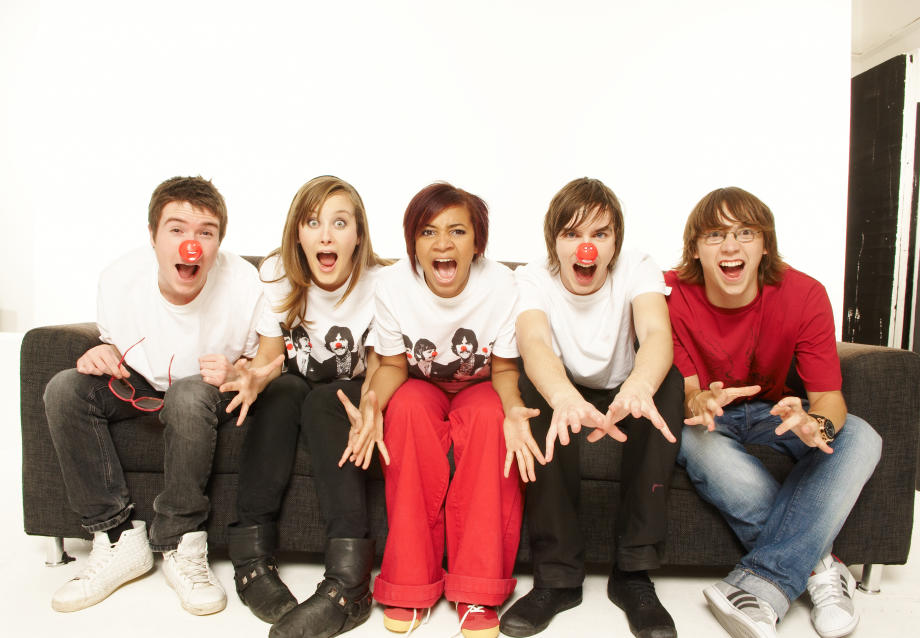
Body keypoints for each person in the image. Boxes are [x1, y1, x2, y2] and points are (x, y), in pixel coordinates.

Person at [665, 186, 882, 638]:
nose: (730, 246)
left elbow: (828, 398)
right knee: (692, 435)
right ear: (695, 250)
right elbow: (687, 392)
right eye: (714, 235)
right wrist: (699, 400)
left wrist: (814, 424)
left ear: (765, 245)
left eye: (745, 232)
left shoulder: (803, 294)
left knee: (861, 435)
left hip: (776, 411)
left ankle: (762, 584)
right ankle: (823, 570)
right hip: (710, 418)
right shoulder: (671, 295)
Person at [44, 175, 264, 615]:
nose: (192, 245)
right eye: (177, 229)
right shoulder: (119, 279)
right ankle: (117, 537)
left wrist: (239, 370)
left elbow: (258, 367)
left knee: (186, 394)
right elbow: (111, 342)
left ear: (219, 241)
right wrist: (103, 352)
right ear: (153, 236)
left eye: (206, 232)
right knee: (64, 388)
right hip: (139, 379)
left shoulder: (244, 282)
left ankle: (181, 542)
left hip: (204, 389)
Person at [339, 182, 537, 638]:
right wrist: (371, 402)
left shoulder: (503, 285)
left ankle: (477, 590)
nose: (443, 244)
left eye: (457, 232)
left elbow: (505, 370)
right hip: (418, 384)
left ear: (477, 243)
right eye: (428, 233)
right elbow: (391, 365)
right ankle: (409, 588)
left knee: (491, 418)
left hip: (483, 386)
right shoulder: (392, 284)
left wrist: (513, 410)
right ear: (413, 244)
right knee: (404, 408)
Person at [500, 177, 683, 638]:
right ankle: (557, 580)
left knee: (669, 384)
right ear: (554, 243)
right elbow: (534, 340)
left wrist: (639, 386)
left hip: (625, 384)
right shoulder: (532, 277)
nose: (587, 248)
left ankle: (633, 577)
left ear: (615, 244)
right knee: (534, 387)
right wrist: (564, 398)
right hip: (563, 384)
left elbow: (658, 334)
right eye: (572, 234)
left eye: (599, 234)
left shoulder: (638, 267)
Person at [218, 175, 389, 638]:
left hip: (353, 392)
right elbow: (274, 358)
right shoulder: (276, 271)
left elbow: (378, 366)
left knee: (322, 401)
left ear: (358, 236)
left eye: (339, 223)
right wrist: (256, 374)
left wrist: (370, 405)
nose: (326, 235)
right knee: (286, 391)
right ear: (299, 233)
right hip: (297, 385)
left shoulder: (382, 283)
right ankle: (251, 557)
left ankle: (349, 584)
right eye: (313, 223)